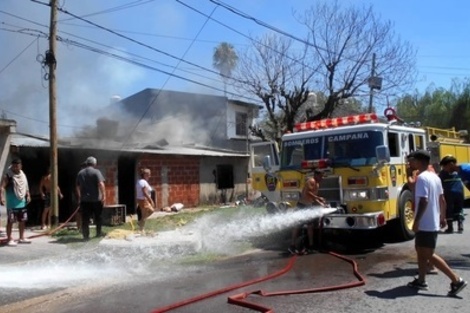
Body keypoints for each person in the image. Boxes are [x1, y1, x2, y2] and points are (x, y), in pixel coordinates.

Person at [406, 150, 467, 296]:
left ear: (419, 161)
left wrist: (417, 221)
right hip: (432, 221)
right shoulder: (435, 177)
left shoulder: (421, 178)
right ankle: (421, 280)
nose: (409, 163)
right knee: (420, 250)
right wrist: (443, 217)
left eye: (412, 160)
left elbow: (424, 200)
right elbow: (442, 200)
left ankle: (456, 280)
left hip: (425, 223)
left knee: (428, 253)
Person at [288, 169, 326, 255]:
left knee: (310, 225)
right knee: (297, 225)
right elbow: (308, 193)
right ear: (316, 175)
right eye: (321, 176)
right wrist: (318, 199)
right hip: (302, 206)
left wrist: (320, 203)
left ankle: (310, 246)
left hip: (308, 206)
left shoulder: (317, 183)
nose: (322, 178)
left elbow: (312, 197)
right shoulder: (311, 181)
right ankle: (292, 246)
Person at [0, 158, 32, 246]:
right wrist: (1, 197)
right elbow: (2, 187)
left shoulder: (23, 174)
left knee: (22, 221)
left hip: (22, 202)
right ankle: (9, 239)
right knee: (10, 221)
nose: (15, 168)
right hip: (11, 204)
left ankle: (21, 237)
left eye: (17, 166)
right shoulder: (8, 176)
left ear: (20, 166)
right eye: (14, 166)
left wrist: (28, 195)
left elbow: (26, 186)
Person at [76, 156, 106, 241]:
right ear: (94, 164)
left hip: (84, 200)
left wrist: (79, 197)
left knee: (85, 219)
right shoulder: (96, 172)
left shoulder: (80, 173)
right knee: (98, 217)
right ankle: (98, 233)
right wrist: (104, 196)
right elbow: (101, 184)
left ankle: (86, 236)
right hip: (96, 200)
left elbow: (77, 187)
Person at [439, 155, 464, 233]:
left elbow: (439, 182)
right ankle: (460, 226)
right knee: (459, 208)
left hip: (449, 192)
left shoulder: (443, 173)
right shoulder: (458, 171)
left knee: (449, 209)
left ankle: (450, 228)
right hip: (459, 191)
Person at [135, 168, 155, 234]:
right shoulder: (143, 182)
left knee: (144, 214)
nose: (150, 176)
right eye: (149, 175)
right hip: (143, 200)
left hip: (140, 200)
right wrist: (151, 200)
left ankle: (141, 228)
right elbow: (145, 192)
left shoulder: (139, 181)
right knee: (150, 211)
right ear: (145, 175)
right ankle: (140, 224)